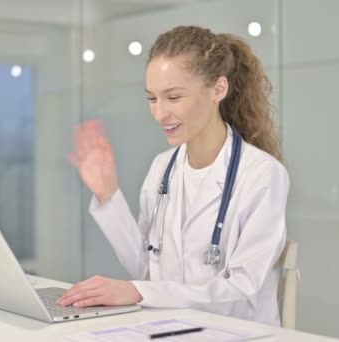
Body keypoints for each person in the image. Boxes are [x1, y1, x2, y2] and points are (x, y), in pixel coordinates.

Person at [57, 25, 290, 326]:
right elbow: (146, 272)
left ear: (219, 89)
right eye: (152, 98)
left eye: (173, 97)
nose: (159, 113)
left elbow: (241, 294)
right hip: (172, 329)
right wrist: (107, 193)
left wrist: (137, 292)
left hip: (237, 333)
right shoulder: (162, 168)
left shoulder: (262, 174)